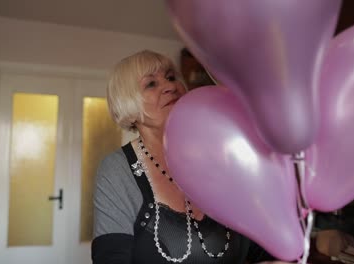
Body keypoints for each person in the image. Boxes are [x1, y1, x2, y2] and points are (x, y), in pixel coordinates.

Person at [91, 50, 276, 264]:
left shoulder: (220, 157)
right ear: (127, 104)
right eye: (151, 84)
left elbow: (257, 247)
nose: (171, 86)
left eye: (170, 77)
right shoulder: (117, 170)